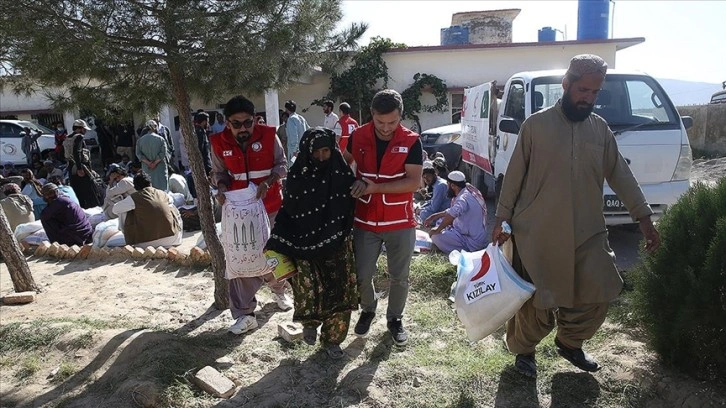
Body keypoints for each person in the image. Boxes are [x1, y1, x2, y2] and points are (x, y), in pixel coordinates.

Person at [491, 54, 661, 378]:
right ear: (566, 84)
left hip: (588, 231)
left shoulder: (600, 130)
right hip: (537, 232)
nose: (588, 98)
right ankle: (525, 352)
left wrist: (644, 218)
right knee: (534, 304)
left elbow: (621, 175)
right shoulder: (535, 126)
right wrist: (501, 218)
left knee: (601, 288)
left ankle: (570, 343)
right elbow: (513, 177)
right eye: (582, 90)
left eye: (595, 93)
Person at [266, 127, 358, 359]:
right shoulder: (297, 177)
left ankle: (333, 340)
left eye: (326, 151)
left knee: (339, 292)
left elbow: (349, 209)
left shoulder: (342, 174)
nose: (320, 157)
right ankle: (310, 322)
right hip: (303, 244)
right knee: (308, 286)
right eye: (315, 152)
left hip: (336, 244)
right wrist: (277, 239)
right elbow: (289, 211)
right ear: (307, 152)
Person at [343, 89, 424, 346]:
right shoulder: (357, 136)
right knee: (362, 274)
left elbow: (414, 182)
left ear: (401, 115)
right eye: (380, 122)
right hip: (365, 220)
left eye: (393, 122)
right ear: (371, 115)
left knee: (399, 276)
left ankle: (395, 319)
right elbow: (344, 164)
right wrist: (352, 180)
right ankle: (368, 309)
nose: (387, 128)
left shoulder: (412, 140)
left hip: (399, 221)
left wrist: (376, 187)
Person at [209, 95, 293, 335]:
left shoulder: (268, 135)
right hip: (239, 211)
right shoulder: (218, 142)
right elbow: (218, 173)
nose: (243, 128)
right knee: (239, 258)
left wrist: (269, 181)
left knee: (275, 254)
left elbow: (282, 165)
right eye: (237, 124)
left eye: (248, 123)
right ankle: (244, 313)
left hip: (271, 206)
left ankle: (280, 292)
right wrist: (221, 187)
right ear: (227, 123)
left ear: (255, 120)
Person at [425, 170, 487, 255]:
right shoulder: (467, 190)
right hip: (470, 233)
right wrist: (434, 216)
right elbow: (451, 210)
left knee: (435, 236)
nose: (447, 187)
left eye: (448, 184)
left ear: (453, 186)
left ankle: (462, 251)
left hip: (471, 242)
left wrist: (438, 230)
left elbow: (452, 214)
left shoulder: (463, 198)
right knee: (440, 221)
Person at [112, 172, 182, 247]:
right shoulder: (162, 193)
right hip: (173, 240)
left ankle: (131, 237)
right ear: (150, 184)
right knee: (171, 206)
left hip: (145, 243)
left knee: (123, 211)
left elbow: (115, 209)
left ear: (135, 187)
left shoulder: (134, 197)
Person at [67, 119, 103, 209]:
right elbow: (77, 152)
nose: (85, 131)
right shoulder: (78, 137)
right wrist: (80, 168)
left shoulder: (68, 137)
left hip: (71, 167)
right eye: (84, 129)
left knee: (78, 192)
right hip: (81, 167)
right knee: (90, 191)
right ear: (79, 129)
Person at [135, 120, 169, 191]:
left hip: (147, 168)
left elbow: (138, 154)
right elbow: (163, 153)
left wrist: (148, 163)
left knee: (149, 188)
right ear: (155, 127)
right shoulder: (161, 139)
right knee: (162, 189)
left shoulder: (140, 140)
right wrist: (155, 163)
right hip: (160, 168)